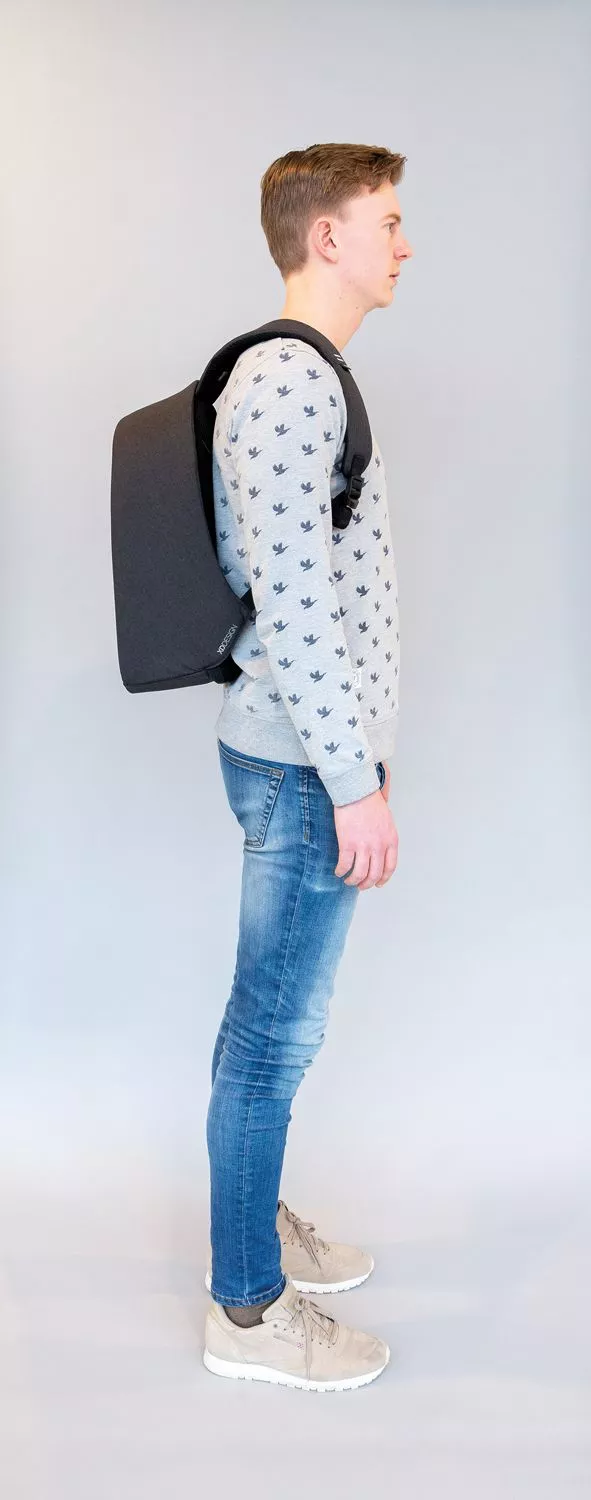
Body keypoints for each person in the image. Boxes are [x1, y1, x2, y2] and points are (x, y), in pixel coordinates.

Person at [203, 142, 414, 1393]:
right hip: (300, 768)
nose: (404, 242)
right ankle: (246, 1310)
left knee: (275, 1028)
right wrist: (353, 782)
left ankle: (252, 1220)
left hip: (304, 760)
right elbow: (294, 610)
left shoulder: (306, 376)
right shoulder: (288, 383)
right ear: (325, 236)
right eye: (387, 219)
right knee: (273, 1039)